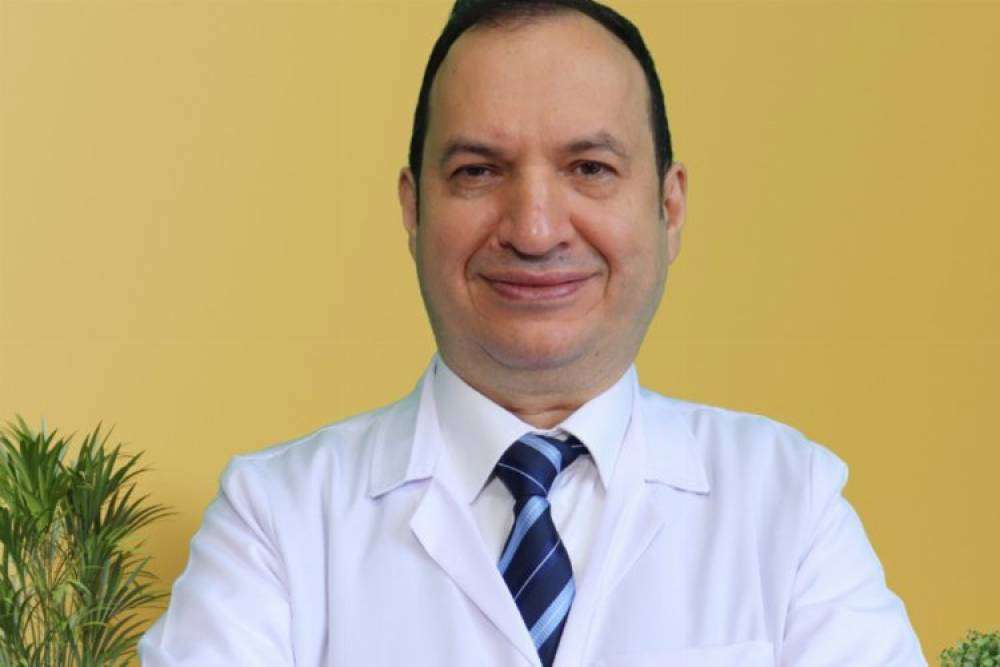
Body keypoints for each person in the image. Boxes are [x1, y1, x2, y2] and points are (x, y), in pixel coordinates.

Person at [139, 0, 927, 665]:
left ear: (669, 206)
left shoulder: (790, 506)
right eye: (479, 171)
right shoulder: (275, 519)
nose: (536, 228)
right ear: (414, 209)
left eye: (590, 168)